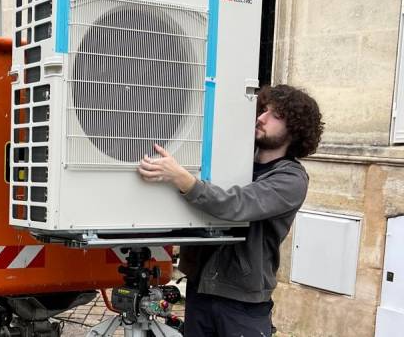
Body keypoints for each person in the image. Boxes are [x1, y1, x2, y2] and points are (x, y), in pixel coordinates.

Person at [137, 84, 324, 336]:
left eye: (275, 115)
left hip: (242, 301)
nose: (261, 118)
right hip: (200, 288)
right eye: (263, 110)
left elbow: (237, 204)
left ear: (296, 130)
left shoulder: (291, 179)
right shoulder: (235, 162)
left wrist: (183, 179)